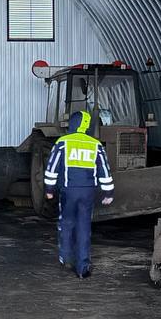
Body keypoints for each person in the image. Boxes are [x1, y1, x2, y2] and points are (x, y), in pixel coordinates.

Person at [43, 110, 114, 278]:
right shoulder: (95, 144)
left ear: (72, 123)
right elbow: (104, 169)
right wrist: (108, 192)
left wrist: (49, 190)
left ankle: (66, 258)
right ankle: (83, 267)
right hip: (88, 192)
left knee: (66, 223)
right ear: (87, 126)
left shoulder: (63, 143)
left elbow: (51, 169)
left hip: (69, 191)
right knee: (84, 227)